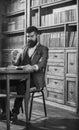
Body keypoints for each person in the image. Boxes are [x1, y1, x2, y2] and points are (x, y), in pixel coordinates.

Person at [11, 26, 48, 121]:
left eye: (31, 36)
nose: (29, 38)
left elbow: (42, 64)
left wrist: (33, 67)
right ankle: (5, 112)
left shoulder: (43, 49)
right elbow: (17, 64)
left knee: (21, 85)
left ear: (37, 36)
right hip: (21, 77)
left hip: (34, 80)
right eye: (28, 36)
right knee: (2, 84)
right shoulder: (24, 47)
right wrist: (14, 58)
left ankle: (14, 112)